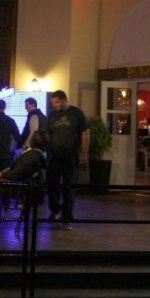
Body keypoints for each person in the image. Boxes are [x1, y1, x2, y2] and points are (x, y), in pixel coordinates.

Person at [45, 90, 88, 230]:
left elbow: (84, 133)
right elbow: (48, 134)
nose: (54, 105)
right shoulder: (52, 115)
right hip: (54, 157)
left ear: (64, 100)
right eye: (53, 103)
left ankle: (66, 217)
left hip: (71, 157)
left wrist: (83, 153)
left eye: (56, 102)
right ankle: (55, 210)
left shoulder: (76, 113)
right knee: (52, 186)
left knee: (69, 188)